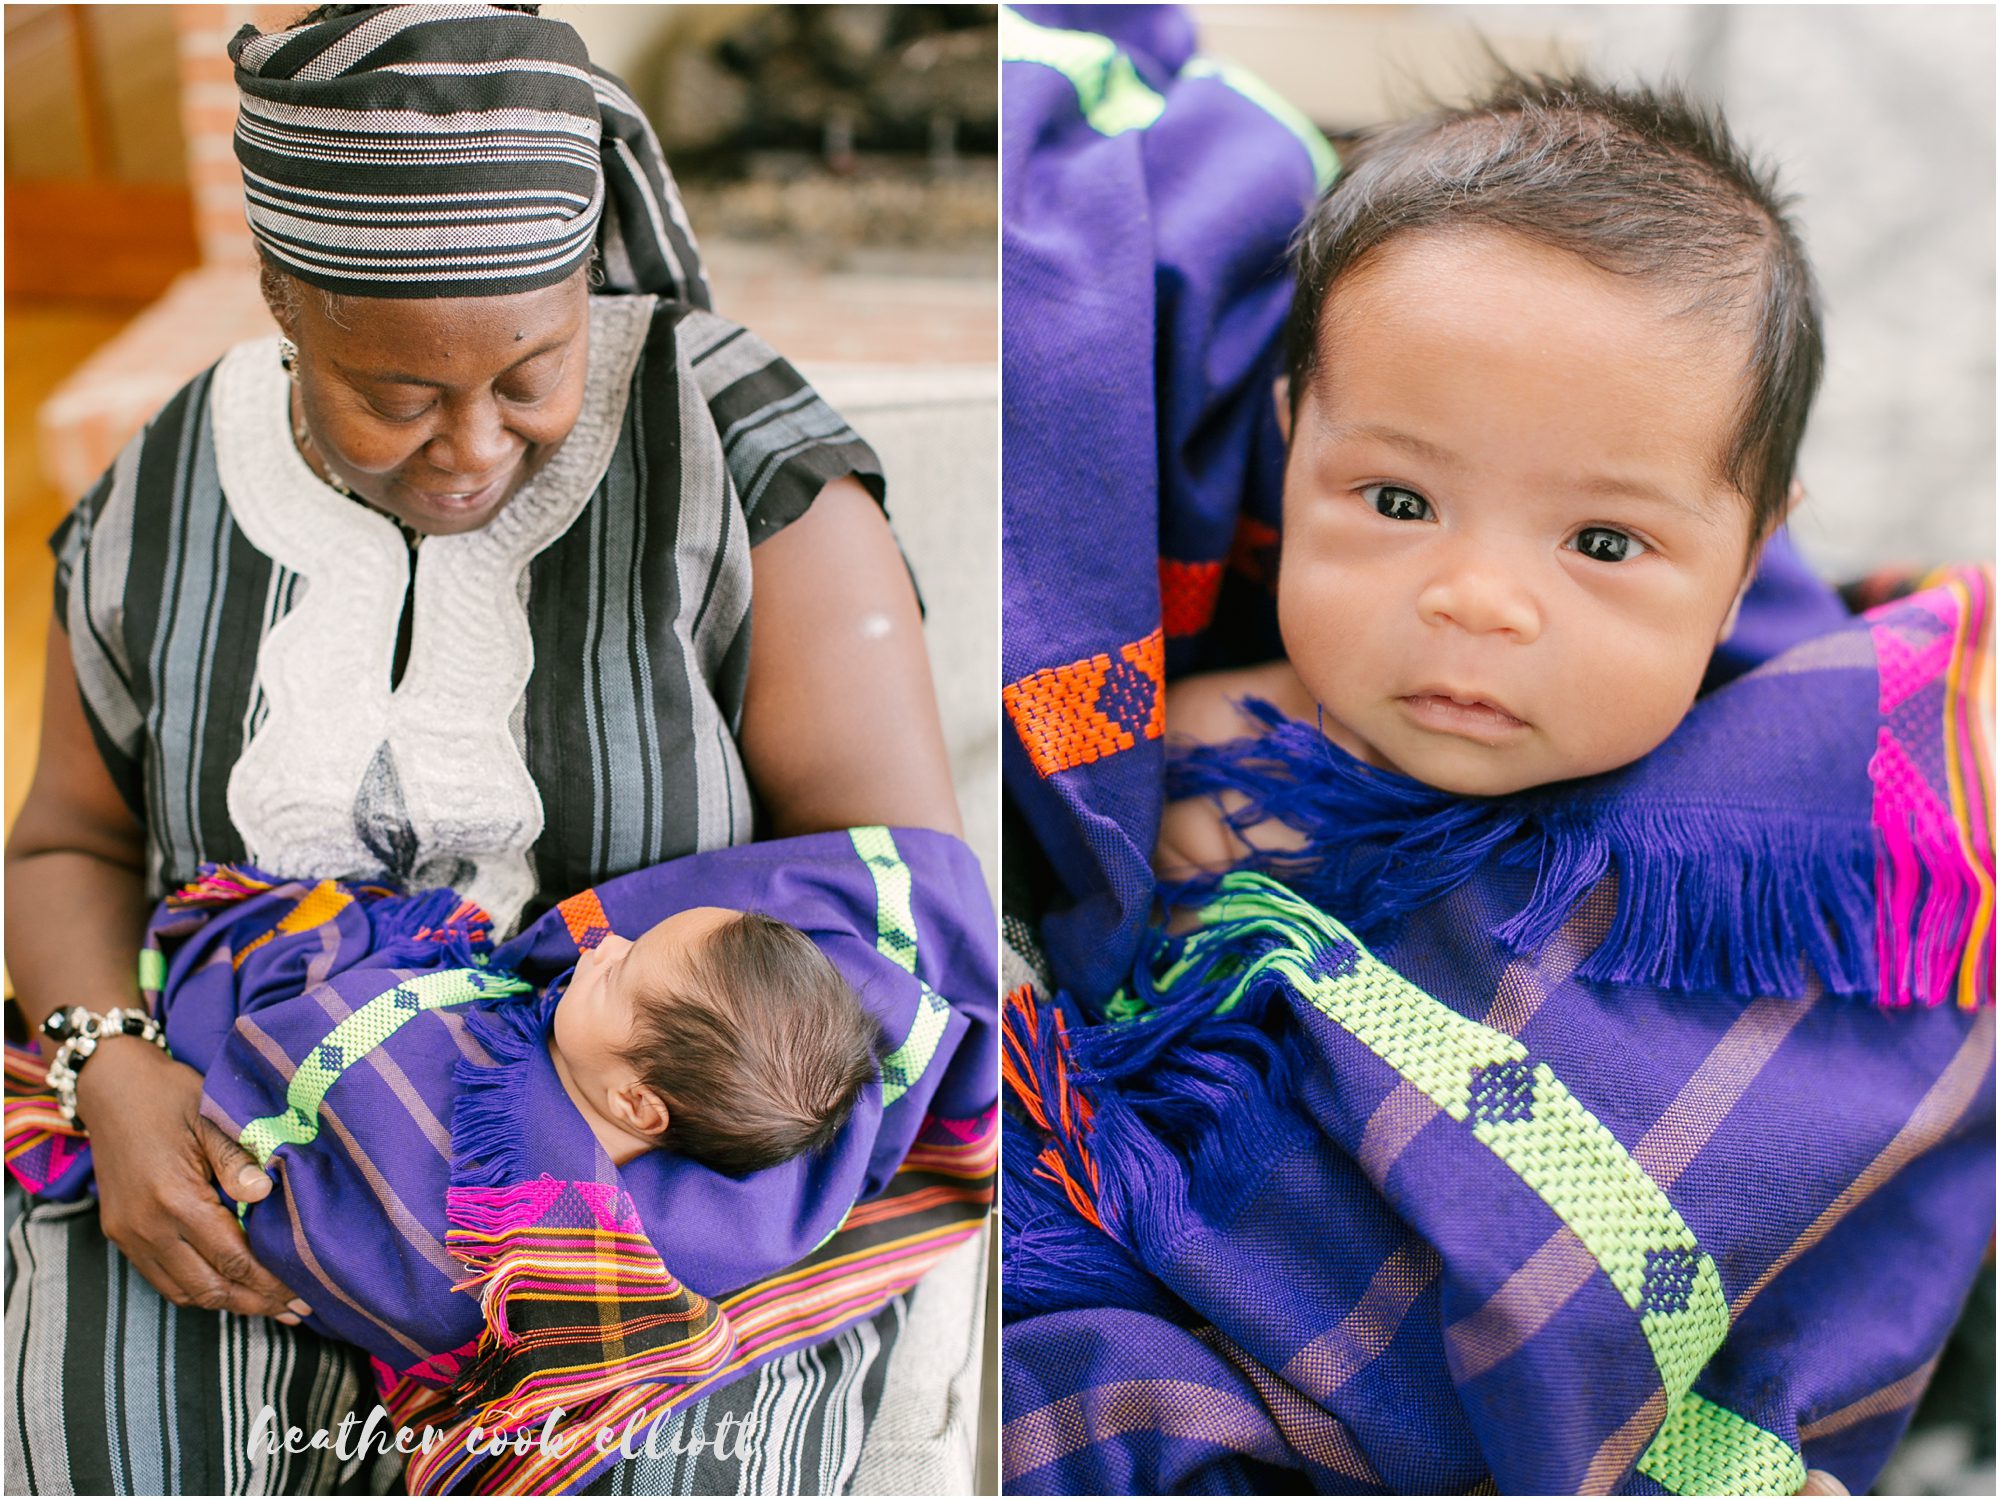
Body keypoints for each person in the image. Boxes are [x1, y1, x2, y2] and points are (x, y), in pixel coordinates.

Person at [4, 5, 962, 1493]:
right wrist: (106, 1071)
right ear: (278, 297)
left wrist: (576, 1225)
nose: (471, 446)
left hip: (645, 1199)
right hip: (218, 1132)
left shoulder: (734, 451)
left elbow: (903, 911)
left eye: (530, 373)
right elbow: (67, 837)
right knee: (124, 1451)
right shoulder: (170, 482)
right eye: (396, 395)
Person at [1156, 71, 1821, 872]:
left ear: (1747, 566)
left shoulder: (1765, 831)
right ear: (1292, 448)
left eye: (1604, 543)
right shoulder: (1213, 767)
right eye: (1401, 502)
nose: (1477, 602)